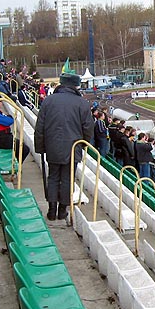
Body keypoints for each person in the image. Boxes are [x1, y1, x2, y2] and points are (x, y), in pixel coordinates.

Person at [34, 73, 93, 221]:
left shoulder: (48, 101)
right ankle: (62, 210)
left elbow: (39, 127)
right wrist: (83, 144)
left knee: (53, 177)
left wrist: (40, 147)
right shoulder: (82, 103)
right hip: (73, 147)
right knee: (68, 178)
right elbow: (88, 128)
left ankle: (52, 210)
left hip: (52, 146)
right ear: (75, 86)